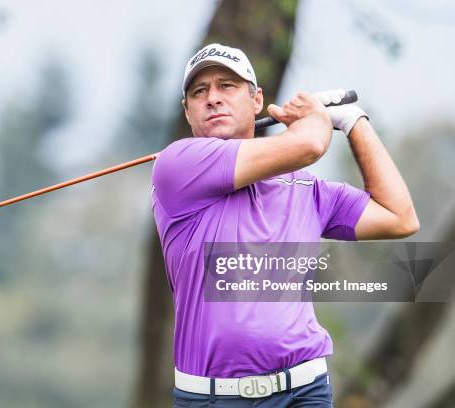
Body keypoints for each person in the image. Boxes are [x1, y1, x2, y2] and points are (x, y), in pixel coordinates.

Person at [151, 43, 419, 407]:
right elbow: (308, 143)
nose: (213, 98)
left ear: (256, 99)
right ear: (187, 111)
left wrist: (354, 122)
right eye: (200, 91)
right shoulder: (178, 165)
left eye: (227, 86)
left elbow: (399, 216)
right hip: (213, 398)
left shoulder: (306, 190)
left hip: (305, 391)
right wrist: (316, 118)